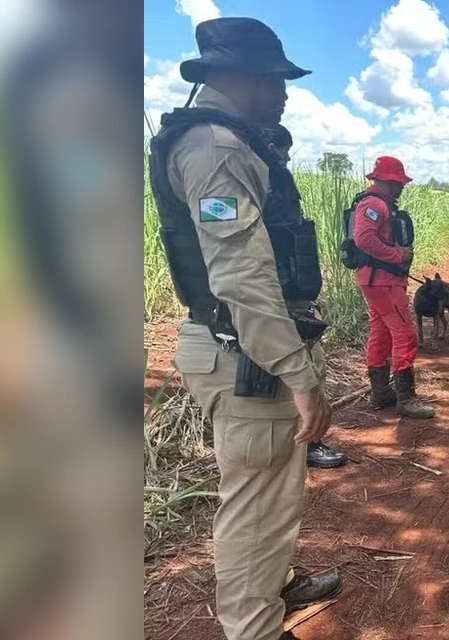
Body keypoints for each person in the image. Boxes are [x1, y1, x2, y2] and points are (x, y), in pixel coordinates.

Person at [147, 17, 341, 640]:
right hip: (246, 356)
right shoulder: (218, 149)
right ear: (241, 76)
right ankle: (255, 627)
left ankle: (273, 585)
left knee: (271, 491)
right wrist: (298, 374)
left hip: (242, 347)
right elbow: (242, 276)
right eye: (275, 80)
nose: (283, 93)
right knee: (258, 504)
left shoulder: (221, 141)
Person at [263, 124, 348, 470]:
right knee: (300, 374)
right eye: (281, 149)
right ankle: (306, 444)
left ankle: (307, 442)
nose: (286, 157)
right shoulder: (257, 180)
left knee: (313, 367)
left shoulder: (277, 183)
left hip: (294, 299)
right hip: (277, 302)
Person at [351, 156, 436, 419]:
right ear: (388, 182)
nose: (402, 187)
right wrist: (397, 255)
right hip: (383, 281)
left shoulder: (377, 203)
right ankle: (406, 399)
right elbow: (363, 238)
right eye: (399, 183)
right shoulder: (375, 204)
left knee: (381, 333)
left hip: (377, 280)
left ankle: (381, 393)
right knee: (405, 335)